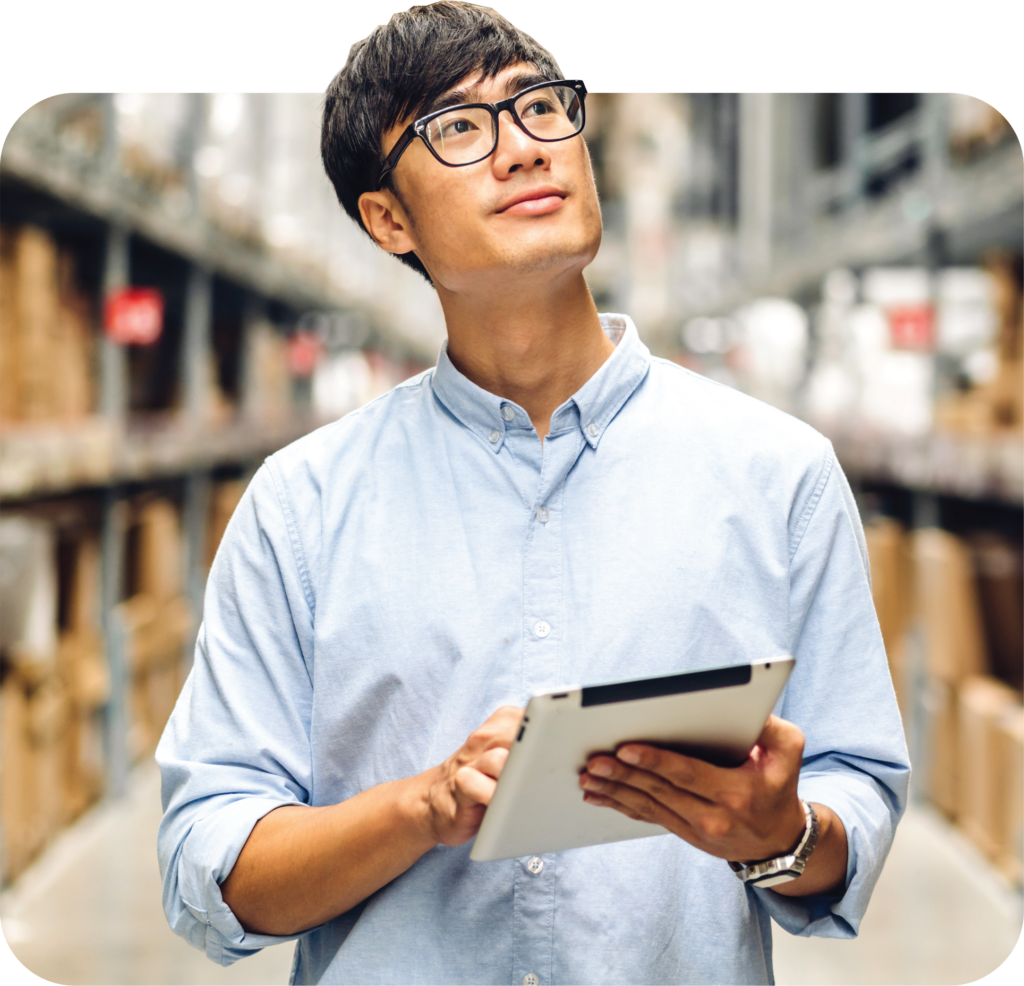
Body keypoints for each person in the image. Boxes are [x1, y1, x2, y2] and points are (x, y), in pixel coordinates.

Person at [157, 5, 909, 984]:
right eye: (459, 128)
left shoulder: (777, 474)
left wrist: (782, 831)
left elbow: (855, 792)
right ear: (388, 219)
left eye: (540, 108)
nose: (521, 150)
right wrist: (420, 807)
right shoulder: (302, 506)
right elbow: (210, 865)